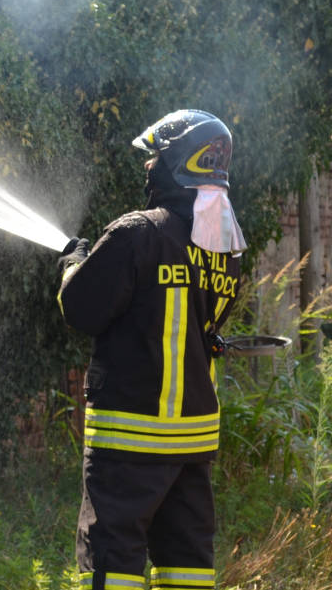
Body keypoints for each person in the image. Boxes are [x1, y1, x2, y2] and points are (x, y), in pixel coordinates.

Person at [56, 109, 246, 590]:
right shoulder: (224, 250)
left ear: (179, 162)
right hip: (192, 442)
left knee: (111, 565)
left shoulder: (137, 233)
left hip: (130, 438)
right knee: (186, 566)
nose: (149, 168)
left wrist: (73, 264)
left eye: (156, 158)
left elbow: (80, 308)